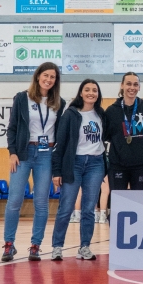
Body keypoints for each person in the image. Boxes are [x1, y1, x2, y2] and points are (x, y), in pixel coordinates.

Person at [2, 61, 65, 263]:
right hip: (23, 153)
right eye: (46, 75)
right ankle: (9, 244)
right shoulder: (22, 98)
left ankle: (36, 245)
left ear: (56, 81)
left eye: (52, 77)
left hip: (46, 154)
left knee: (41, 202)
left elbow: (60, 132)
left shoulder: (59, 103)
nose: (49, 79)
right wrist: (12, 152)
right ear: (38, 76)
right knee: (14, 200)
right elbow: (12, 128)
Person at [51, 79, 107, 262]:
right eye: (87, 89)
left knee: (89, 209)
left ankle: (84, 247)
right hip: (74, 163)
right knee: (66, 207)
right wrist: (56, 171)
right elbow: (60, 144)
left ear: (98, 94)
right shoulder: (70, 114)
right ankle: (57, 246)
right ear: (81, 93)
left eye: (94, 90)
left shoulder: (101, 114)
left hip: (95, 164)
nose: (91, 93)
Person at [105, 72, 143, 192]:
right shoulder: (111, 111)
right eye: (128, 84)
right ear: (122, 85)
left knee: (139, 200)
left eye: (135, 84)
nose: (132, 87)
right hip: (118, 165)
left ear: (139, 87)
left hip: (141, 165)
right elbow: (107, 135)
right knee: (118, 199)